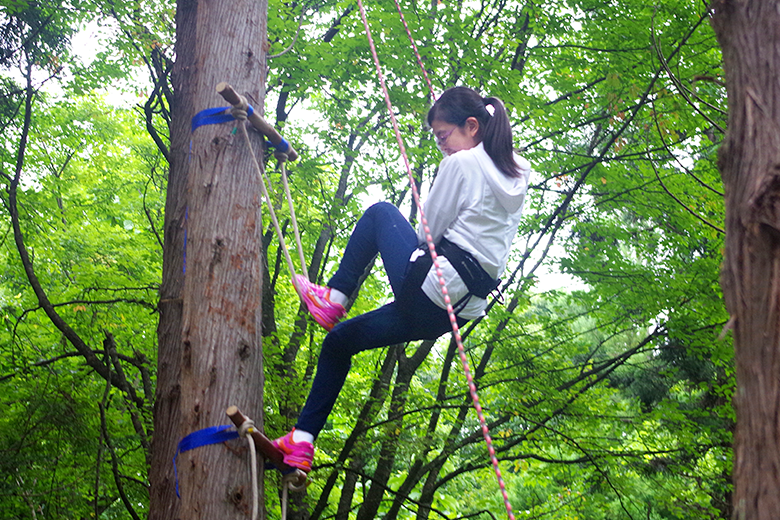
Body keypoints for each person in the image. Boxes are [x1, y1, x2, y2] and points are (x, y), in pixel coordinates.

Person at [273, 86, 532, 472]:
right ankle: (302, 441)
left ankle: (336, 297)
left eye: (444, 135)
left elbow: (428, 232)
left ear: (472, 126)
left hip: (433, 288)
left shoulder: (461, 165)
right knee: (340, 343)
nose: (442, 145)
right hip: (453, 313)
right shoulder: (518, 172)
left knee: (380, 213)